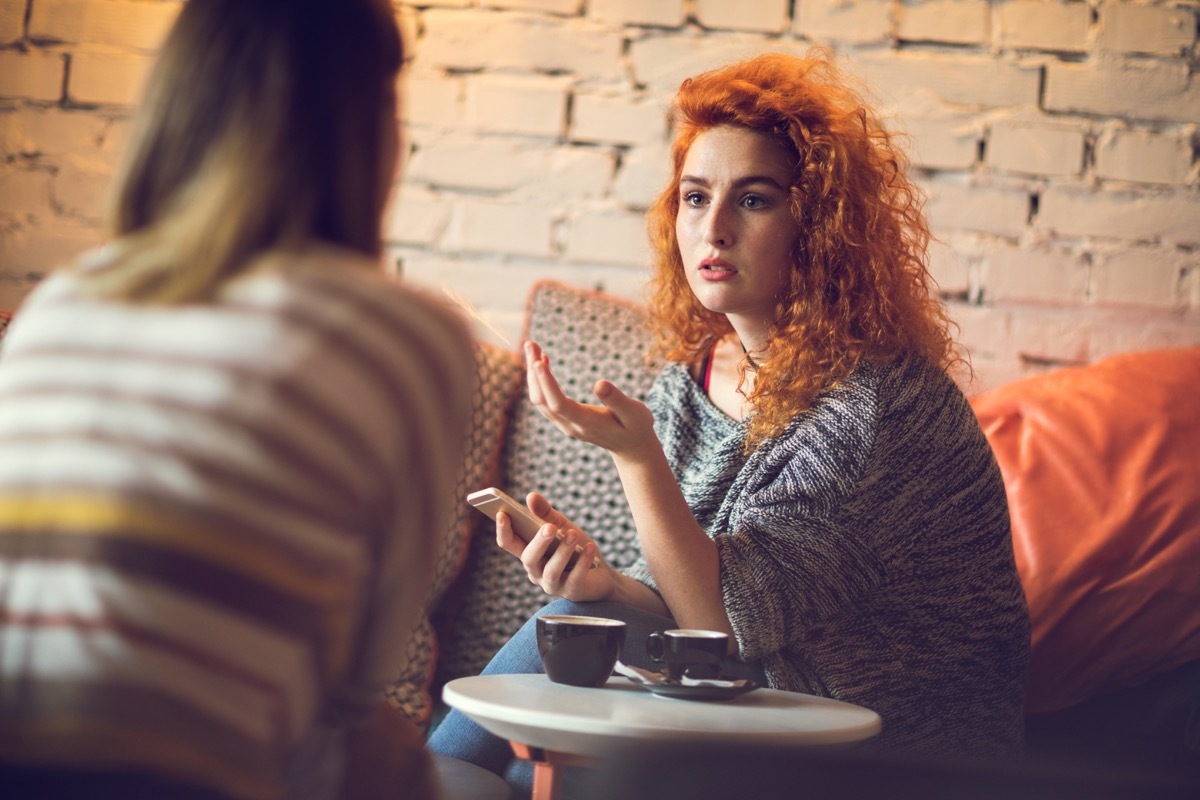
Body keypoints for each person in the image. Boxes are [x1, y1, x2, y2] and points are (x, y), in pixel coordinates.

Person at [428, 50, 1030, 794]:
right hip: (747, 711)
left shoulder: (878, 410)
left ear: (819, 224)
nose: (712, 229)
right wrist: (602, 584)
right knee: (558, 652)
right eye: (693, 196)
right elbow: (688, 613)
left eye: (753, 200)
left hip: (883, 760)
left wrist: (637, 457)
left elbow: (721, 624)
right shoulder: (690, 387)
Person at [0, 2, 474, 799]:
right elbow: (360, 679)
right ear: (366, 125)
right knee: (392, 757)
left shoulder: (64, 300)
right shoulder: (407, 334)